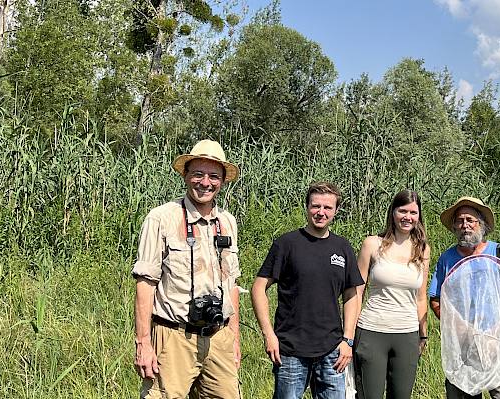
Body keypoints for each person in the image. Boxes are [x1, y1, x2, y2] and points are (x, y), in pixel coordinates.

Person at [132, 139, 242, 399]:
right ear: (186, 175)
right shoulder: (162, 218)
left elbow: (232, 284)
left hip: (220, 338)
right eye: (198, 174)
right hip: (173, 337)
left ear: (223, 181)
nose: (206, 183)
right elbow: (145, 284)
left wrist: (234, 339)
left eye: (214, 176)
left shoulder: (227, 222)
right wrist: (143, 343)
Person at [251, 182, 364, 399]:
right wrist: (269, 335)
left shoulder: (342, 247)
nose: (321, 213)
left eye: (327, 208)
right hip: (290, 350)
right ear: (307, 207)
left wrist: (347, 340)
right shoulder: (287, 244)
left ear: (336, 211)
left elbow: (352, 294)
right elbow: (258, 288)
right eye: (316, 206)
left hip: (332, 350)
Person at [428, 196, 500, 399]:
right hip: (462, 348)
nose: (465, 226)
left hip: (497, 343)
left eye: (470, 220)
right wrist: (459, 328)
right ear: (454, 227)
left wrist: (495, 332)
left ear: (481, 224)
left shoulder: (499, 252)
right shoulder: (447, 258)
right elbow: (435, 299)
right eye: (460, 221)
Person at [354, 190, 431, 399]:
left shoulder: (422, 249)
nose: (408, 217)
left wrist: (422, 334)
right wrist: (349, 334)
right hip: (371, 330)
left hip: (407, 334)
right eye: (402, 211)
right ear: (393, 212)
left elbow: (421, 296)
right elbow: (357, 291)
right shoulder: (372, 243)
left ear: (418, 216)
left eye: (413, 212)